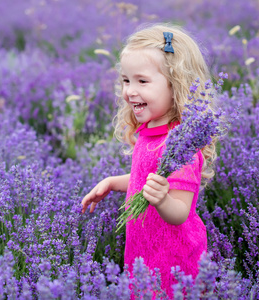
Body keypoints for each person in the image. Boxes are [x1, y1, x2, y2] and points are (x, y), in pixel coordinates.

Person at [80, 23, 217, 298]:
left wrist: (163, 200)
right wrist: (112, 182)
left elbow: (180, 211)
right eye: (126, 80)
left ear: (175, 85)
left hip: (173, 256)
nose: (130, 91)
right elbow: (145, 180)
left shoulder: (180, 145)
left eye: (142, 81)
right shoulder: (149, 133)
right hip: (145, 249)